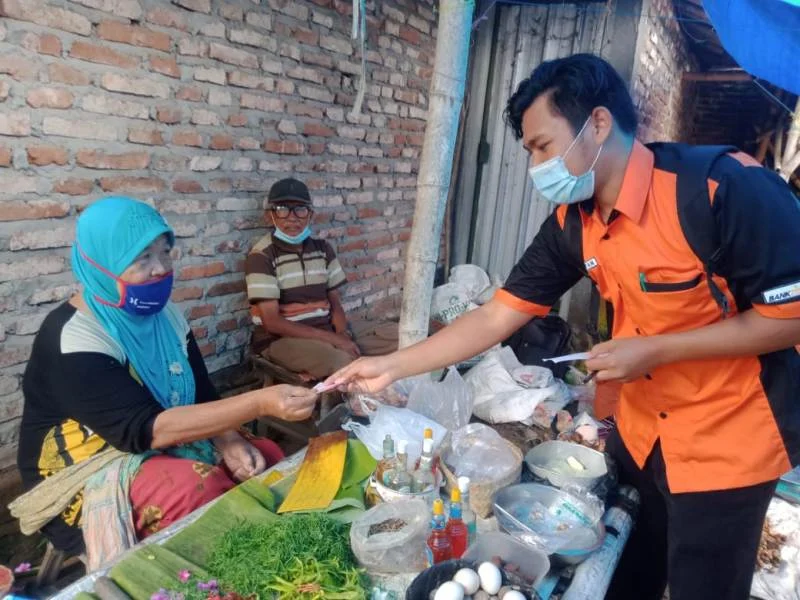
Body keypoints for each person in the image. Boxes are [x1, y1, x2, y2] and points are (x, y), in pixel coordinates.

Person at [327, 54, 800, 600]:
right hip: (641, 434)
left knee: (704, 585)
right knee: (628, 569)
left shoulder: (719, 189)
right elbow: (497, 314)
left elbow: (788, 318)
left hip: (728, 440)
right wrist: (390, 366)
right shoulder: (574, 223)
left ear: (597, 123)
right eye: (530, 152)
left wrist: (656, 351)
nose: (536, 167)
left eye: (542, 146)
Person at [13, 197, 317, 568]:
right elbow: (142, 431)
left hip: (160, 433)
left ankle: (273, 559)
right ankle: (219, 577)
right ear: (100, 264)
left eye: (165, 252)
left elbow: (201, 392)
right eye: (142, 258)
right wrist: (259, 403)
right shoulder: (72, 339)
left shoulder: (166, 317)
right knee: (198, 490)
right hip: (86, 465)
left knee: (264, 457)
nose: (160, 268)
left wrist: (230, 439)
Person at [245, 177, 397, 381]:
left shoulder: (322, 249)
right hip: (280, 340)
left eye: (300, 209)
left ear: (310, 215)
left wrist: (342, 334)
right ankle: (364, 395)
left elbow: (334, 302)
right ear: (269, 216)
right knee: (342, 362)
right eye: (282, 209)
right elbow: (272, 322)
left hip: (325, 329)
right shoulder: (261, 256)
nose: (292, 217)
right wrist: (334, 340)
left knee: (402, 338)